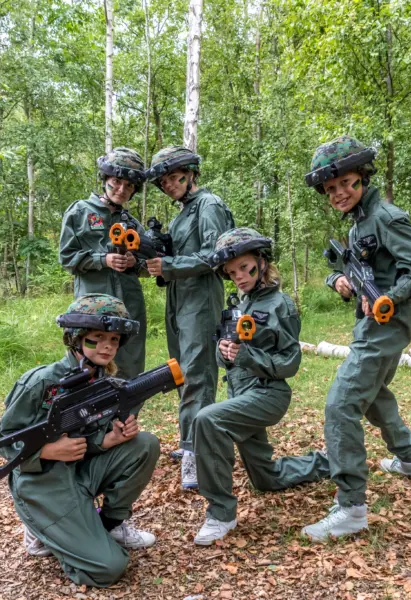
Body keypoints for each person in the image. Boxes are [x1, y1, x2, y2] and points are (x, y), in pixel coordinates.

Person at [299, 136, 411, 541]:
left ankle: (351, 508)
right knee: (374, 395)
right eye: (330, 189)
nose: (339, 193)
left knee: (341, 404)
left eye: (346, 183)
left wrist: (389, 297)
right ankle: (410, 460)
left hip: (385, 325)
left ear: (363, 177)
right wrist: (340, 281)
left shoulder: (384, 216)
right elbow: (358, 268)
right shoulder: (361, 221)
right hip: (372, 325)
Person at [0, 294, 159, 587]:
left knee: (144, 445)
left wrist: (108, 440)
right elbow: (4, 443)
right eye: (98, 337)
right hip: (44, 484)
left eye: (114, 339)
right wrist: (47, 450)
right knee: (109, 569)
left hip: (81, 472)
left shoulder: (102, 381)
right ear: (76, 338)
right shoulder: (42, 382)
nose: (108, 345)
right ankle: (42, 529)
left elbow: (88, 438)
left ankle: (106, 525)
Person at [191, 228, 330, 545]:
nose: (239, 276)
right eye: (232, 272)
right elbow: (228, 354)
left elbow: (290, 363)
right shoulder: (241, 304)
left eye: (244, 267)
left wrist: (247, 356)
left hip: (268, 395)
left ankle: (220, 514)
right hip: (240, 393)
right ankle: (330, 461)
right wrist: (225, 352)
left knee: (208, 420)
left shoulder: (281, 304)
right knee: (267, 478)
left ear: (262, 262)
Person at [143, 146, 234, 490]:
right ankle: (189, 440)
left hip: (201, 300)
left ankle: (198, 452)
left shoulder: (209, 206)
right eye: (162, 180)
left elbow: (217, 254)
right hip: (178, 300)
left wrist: (171, 265)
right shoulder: (183, 213)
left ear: (191, 172)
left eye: (173, 176)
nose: (168, 184)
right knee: (181, 371)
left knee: (198, 373)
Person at [59, 148, 148, 379]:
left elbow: (149, 264)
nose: (122, 189)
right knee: (88, 364)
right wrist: (103, 260)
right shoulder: (80, 212)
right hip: (91, 306)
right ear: (105, 179)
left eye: (129, 186)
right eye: (117, 182)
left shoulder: (131, 222)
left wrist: (133, 261)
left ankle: (126, 415)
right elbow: (67, 258)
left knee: (130, 362)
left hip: (129, 303)